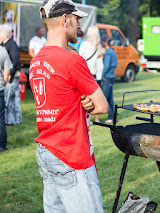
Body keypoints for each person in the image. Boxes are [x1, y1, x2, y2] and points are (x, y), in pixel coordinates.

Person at [29, 0, 108, 212]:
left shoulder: (36, 61)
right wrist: (90, 103)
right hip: (71, 155)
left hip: (47, 152)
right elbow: (102, 106)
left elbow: (62, 98)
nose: (79, 25)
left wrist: (83, 101)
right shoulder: (71, 61)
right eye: (76, 19)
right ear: (65, 19)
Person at [0, 24, 22, 125]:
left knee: (11, 99)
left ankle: (12, 120)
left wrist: (9, 75)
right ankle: (13, 120)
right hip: (8, 75)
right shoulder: (4, 45)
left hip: (12, 76)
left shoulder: (12, 45)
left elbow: (15, 62)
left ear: (5, 35)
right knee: (11, 99)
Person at [79, 26, 102, 123]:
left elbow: (79, 59)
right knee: (93, 98)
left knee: (85, 99)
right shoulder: (99, 46)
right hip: (94, 74)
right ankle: (96, 118)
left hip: (85, 74)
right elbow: (98, 62)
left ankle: (87, 119)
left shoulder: (84, 44)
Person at [101, 34, 118, 124]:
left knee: (105, 97)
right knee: (110, 98)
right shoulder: (113, 51)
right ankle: (114, 116)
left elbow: (106, 66)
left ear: (104, 43)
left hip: (107, 77)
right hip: (112, 76)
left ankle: (111, 116)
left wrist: (102, 75)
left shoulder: (108, 53)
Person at [0, 45, 11, 152]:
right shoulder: (2, 50)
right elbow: (7, 71)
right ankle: (2, 145)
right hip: (0, 88)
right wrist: (4, 82)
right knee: (1, 117)